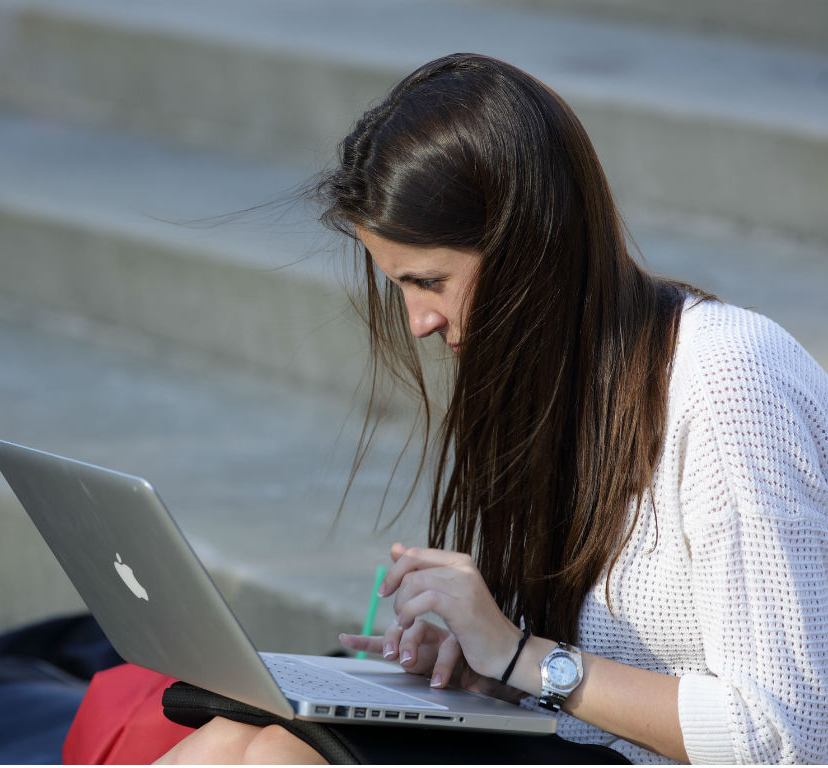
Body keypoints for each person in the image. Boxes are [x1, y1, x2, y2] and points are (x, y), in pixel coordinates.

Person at [148, 53, 828, 763]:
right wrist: (479, 657)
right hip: (579, 744)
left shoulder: (730, 382)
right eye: (400, 287)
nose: (418, 321)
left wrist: (519, 654)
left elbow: (787, 739)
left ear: (529, 248)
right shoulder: (556, 379)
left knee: (276, 758)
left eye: (430, 281)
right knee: (239, 735)